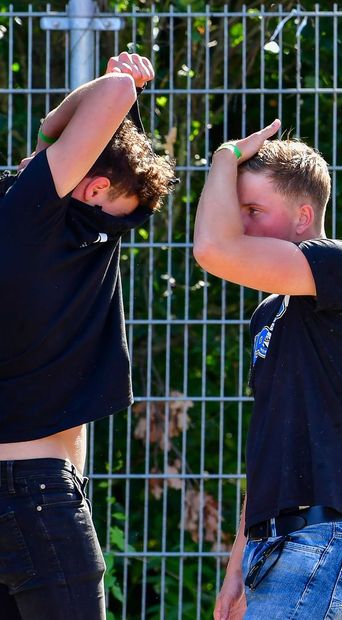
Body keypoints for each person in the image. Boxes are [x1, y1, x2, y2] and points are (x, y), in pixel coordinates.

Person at [0, 51, 175, 619]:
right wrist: (125, 77)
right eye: (116, 218)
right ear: (93, 188)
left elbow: (53, 127)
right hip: (36, 494)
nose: (116, 233)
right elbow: (109, 103)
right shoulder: (33, 215)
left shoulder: (27, 215)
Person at [197, 122, 342, 620]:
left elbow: (213, 250)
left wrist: (224, 157)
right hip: (278, 540)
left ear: (304, 216)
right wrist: (238, 561)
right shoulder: (269, 313)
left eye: (253, 211)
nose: (239, 224)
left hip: (325, 533)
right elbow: (271, 444)